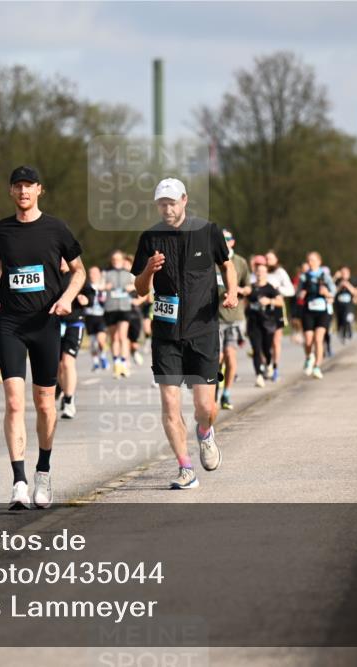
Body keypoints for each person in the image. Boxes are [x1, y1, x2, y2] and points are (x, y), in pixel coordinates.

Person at [0, 166, 86, 510]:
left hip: (46, 323)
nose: (23, 191)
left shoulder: (57, 229)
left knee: (44, 403)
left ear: (39, 190)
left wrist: (66, 299)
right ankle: (18, 481)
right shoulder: (1, 229)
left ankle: (43, 473)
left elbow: (79, 270)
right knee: (12, 401)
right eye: (17, 186)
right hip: (10, 322)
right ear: (11, 191)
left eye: (29, 186)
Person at [131, 177, 237, 490]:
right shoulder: (150, 238)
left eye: (171, 202)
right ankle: (185, 468)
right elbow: (139, 290)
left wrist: (231, 292)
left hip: (202, 330)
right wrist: (149, 269)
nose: (167, 208)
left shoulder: (208, 231)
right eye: (161, 203)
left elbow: (228, 265)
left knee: (205, 408)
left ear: (184, 200)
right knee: (170, 404)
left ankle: (205, 432)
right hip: (165, 333)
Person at [56, 258, 95, 419]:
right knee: (57, 365)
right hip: (54, 324)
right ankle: (61, 386)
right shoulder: (51, 276)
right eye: (59, 260)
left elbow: (90, 293)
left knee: (67, 361)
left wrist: (86, 299)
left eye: (65, 260)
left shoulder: (77, 276)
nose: (62, 263)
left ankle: (69, 401)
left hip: (74, 323)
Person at [216, 229, 250, 408]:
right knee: (217, 356)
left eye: (227, 239)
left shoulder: (240, 262)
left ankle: (226, 393)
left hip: (236, 317)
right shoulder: (210, 259)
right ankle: (213, 387)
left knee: (230, 355)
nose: (224, 242)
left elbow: (249, 287)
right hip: (214, 317)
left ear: (232, 242)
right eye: (221, 239)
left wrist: (237, 291)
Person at [297, 251, 336, 379]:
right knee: (308, 340)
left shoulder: (325, 276)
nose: (310, 263)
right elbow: (297, 293)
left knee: (319, 339)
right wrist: (301, 294)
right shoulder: (304, 277)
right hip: (308, 310)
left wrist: (327, 293)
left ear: (319, 262)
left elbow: (333, 292)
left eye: (313, 260)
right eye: (308, 260)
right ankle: (309, 357)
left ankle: (317, 367)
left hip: (323, 311)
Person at [248, 262, 284, 387]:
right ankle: (258, 376)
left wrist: (269, 300)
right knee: (256, 350)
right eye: (258, 271)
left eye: (263, 271)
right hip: (253, 323)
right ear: (255, 273)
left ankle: (269, 363)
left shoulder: (270, 288)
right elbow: (244, 302)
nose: (260, 274)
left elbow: (280, 302)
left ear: (266, 274)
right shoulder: (251, 287)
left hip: (267, 323)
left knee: (266, 349)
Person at [103, 250, 136, 378]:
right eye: (114, 260)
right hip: (110, 308)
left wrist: (131, 287)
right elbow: (98, 285)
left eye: (118, 259)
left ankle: (124, 364)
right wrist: (105, 286)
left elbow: (138, 284)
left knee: (122, 336)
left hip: (124, 308)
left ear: (123, 260)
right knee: (114, 338)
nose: (116, 261)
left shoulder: (128, 274)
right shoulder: (106, 273)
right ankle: (116, 364)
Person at [264, 250, 295, 381]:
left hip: (277, 309)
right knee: (265, 342)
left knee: (276, 341)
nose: (268, 261)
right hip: (263, 309)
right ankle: (267, 365)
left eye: (270, 259)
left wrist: (277, 289)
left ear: (276, 260)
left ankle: (275, 367)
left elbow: (291, 291)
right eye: (266, 259)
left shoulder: (280, 273)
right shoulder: (261, 271)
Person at [83, 265, 109, 371]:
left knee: (101, 340)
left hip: (101, 316)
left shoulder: (105, 287)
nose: (93, 275)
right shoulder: (86, 287)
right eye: (91, 273)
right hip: (89, 316)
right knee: (93, 343)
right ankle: (95, 362)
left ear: (99, 274)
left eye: (95, 273)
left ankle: (103, 356)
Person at [333, 266, 357, 343]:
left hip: (349, 305)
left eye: (345, 272)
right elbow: (332, 291)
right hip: (339, 305)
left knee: (347, 318)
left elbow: (356, 292)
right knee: (340, 320)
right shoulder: (337, 281)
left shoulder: (352, 280)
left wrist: (348, 285)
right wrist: (339, 285)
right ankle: (342, 334)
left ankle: (348, 333)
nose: (343, 274)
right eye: (342, 273)